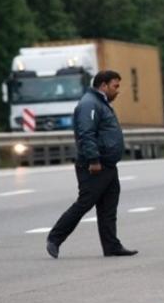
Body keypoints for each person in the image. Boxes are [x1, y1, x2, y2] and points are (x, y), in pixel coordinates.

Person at [46, 70, 138, 259]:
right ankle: (55, 238)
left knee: (108, 208)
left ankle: (111, 246)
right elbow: (86, 133)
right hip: (95, 165)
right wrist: (94, 160)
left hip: (108, 165)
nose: (117, 91)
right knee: (84, 203)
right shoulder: (90, 104)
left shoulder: (100, 103)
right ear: (103, 85)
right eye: (115, 86)